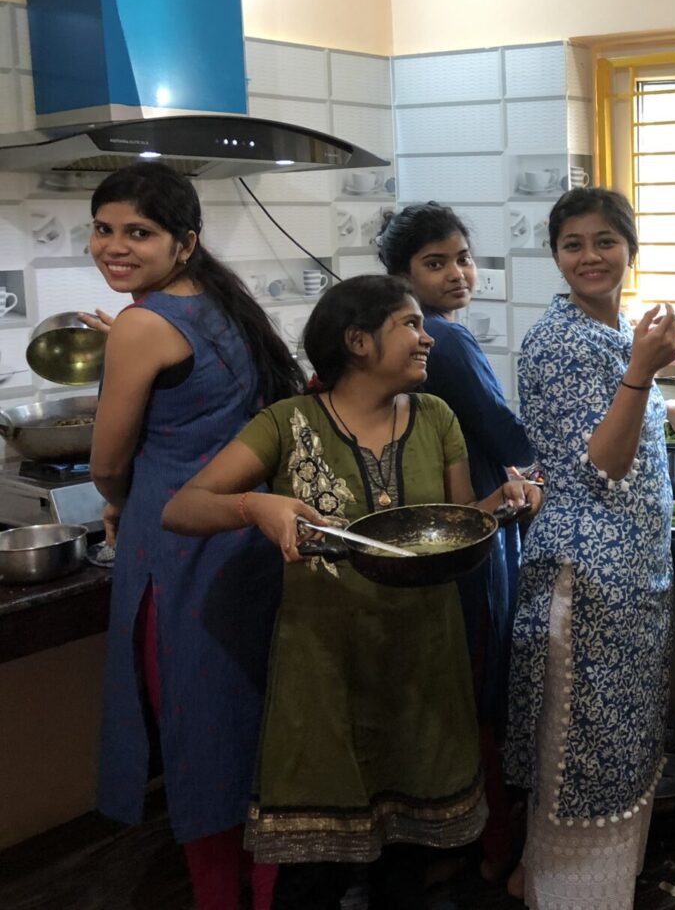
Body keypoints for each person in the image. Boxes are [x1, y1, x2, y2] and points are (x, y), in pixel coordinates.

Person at [161, 275, 542, 910]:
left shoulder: (436, 417)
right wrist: (256, 505)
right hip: (324, 671)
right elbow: (182, 507)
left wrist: (500, 502)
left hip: (424, 665)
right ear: (358, 341)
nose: (427, 339)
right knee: (313, 877)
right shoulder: (287, 423)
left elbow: (455, 521)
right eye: (411, 325)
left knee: (408, 870)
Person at [85, 161, 305, 910]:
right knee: (252, 738)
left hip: (176, 553)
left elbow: (107, 461)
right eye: (104, 229)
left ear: (183, 242)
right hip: (247, 547)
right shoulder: (216, 301)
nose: (115, 246)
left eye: (137, 233)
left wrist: (118, 501)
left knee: (198, 735)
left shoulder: (144, 325)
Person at [504, 188, 675, 909]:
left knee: (618, 743)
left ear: (630, 249)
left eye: (605, 241)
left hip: (629, 572)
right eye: (572, 244)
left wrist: (657, 396)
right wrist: (644, 371)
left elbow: (605, 418)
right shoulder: (559, 339)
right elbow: (598, 465)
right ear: (555, 255)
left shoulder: (608, 331)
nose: (589, 256)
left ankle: (557, 881)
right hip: (588, 576)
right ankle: (568, 894)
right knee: (583, 748)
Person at [376, 202, 535, 882]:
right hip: (472, 526)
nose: (457, 273)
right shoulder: (445, 339)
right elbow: (507, 435)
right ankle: (491, 846)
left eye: (463, 257)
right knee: (481, 681)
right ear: (402, 276)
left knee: (451, 687)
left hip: (434, 525)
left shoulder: (403, 339)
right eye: (435, 263)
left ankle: (447, 843)